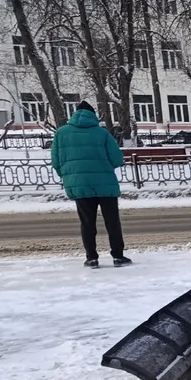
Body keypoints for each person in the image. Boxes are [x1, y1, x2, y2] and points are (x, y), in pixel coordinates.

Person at [51, 100, 131, 268]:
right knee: (112, 221)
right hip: (105, 184)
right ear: (93, 115)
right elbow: (117, 159)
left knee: (87, 222)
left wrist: (69, 175)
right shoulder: (102, 133)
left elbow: (56, 161)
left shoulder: (61, 133)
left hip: (79, 184)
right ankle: (118, 256)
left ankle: (91, 258)